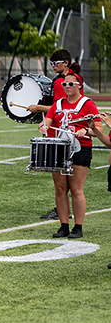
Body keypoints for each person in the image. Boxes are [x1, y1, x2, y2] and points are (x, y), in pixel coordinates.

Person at [27, 49, 84, 221]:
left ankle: (64, 213)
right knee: (67, 181)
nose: (53, 66)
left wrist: (37, 108)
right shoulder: (74, 79)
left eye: (55, 63)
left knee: (63, 181)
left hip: (61, 134)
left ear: (65, 63)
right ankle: (63, 212)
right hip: (70, 134)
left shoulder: (62, 82)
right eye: (51, 63)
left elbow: (58, 107)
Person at [41, 74, 100, 239]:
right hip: (59, 148)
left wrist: (87, 130)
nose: (67, 86)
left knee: (76, 189)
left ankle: (78, 227)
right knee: (60, 189)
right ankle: (64, 226)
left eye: (70, 84)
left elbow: (99, 129)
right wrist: (44, 126)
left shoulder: (87, 104)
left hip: (80, 148)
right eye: (65, 84)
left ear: (79, 85)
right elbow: (48, 120)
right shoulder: (57, 104)